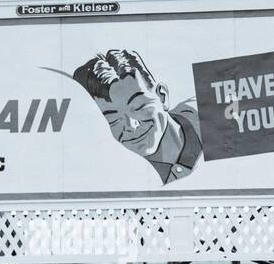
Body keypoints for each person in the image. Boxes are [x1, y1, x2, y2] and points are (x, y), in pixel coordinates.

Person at [71, 49, 202, 185]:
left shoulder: (211, 113)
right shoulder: (113, 177)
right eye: (112, 119)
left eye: (139, 107)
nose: (131, 126)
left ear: (162, 96)